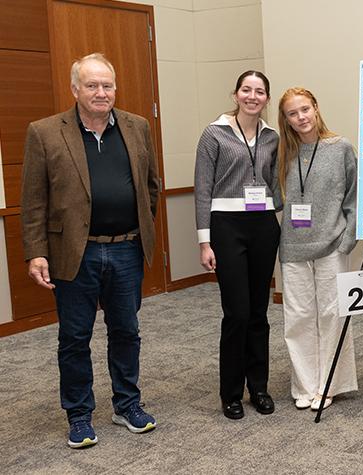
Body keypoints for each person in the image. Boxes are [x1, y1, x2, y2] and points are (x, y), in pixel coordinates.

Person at [21, 53, 160, 448]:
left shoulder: (137, 126)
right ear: (75, 89)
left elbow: (151, 186)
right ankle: (79, 414)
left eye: (108, 85)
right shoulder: (45, 132)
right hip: (74, 253)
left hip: (126, 250)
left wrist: (139, 228)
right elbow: (33, 199)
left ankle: (127, 404)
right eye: (93, 85)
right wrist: (36, 252)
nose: (102, 92)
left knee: (126, 331)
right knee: (74, 337)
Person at [194, 71, 281, 420]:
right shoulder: (214, 133)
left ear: (266, 99)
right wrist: (204, 242)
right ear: (235, 94)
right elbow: (202, 188)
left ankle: (258, 387)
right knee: (237, 313)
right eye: (246, 89)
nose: (252, 96)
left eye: (259, 91)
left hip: (262, 225)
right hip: (226, 227)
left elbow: (277, 184)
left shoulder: (273, 137)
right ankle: (230, 392)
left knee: (259, 313)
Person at [278, 87, 358, 411]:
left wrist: (347, 240)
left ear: (316, 108)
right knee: (297, 318)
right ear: (285, 119)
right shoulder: (283, 152)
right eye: (293, 113)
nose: (301, 118)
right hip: (293, 248)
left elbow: (355, 196)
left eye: (305, 109)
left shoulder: (340, 148)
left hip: (331, 245)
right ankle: (306, 385)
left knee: (332, 315)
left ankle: (329, 384)